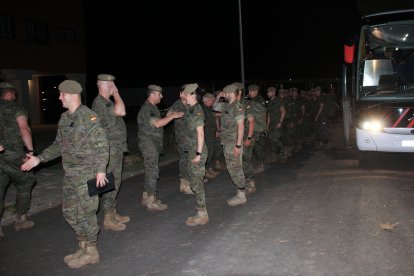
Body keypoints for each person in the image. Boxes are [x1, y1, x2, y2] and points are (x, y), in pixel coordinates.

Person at [21, 80, 109, 269]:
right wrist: (40, 158)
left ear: (72, 94)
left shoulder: (89, 117)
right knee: (69, 212)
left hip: (88, 175)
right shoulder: (64, 118)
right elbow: (59, 145)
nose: (59, 97)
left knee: (87, 213)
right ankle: (83, 245)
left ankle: (92, 251)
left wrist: (101, 170)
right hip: (71, 175)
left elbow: (102, 145)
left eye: (62, 94)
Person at [92, 74, 129, 231]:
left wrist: (114, 95)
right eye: (111, 84)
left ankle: (112, 212)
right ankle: (108, 217)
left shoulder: (107, 102)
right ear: (103, 85)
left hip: (115, 147)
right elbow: (121, 112)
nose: (114, 86)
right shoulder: (100, 102)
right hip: (109, 148)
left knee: (116, 180)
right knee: (110, 181)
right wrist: (116, 93)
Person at [137, 85, 184, 211]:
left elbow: (159, 119)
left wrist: (170, 114)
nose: (162, 96)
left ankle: (147, 196)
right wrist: (173, 116)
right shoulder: (147, 108)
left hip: (152, 144)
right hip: (149, 144)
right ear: (152, 95)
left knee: (150, 170)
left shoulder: (152, 107)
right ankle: (151, 201)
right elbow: (158, 123)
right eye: (159, 94)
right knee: (152, 172)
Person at [0, 82, 36, 239]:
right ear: (10, 93)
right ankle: (20, 219)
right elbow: (24, 129)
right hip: (14, 155)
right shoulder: (17, 109)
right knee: (25, 182)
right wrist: (30, 152)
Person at [213, 84, 247, 206]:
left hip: (233, 143)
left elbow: (241, 127)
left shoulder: (237, 107)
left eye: (226, 93)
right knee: (232, 168)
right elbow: (214, 106)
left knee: (236, 168)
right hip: (227, 143)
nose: (225, 95)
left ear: (232, 93)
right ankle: (240, 192)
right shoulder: (227, 105)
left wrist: (238, 146)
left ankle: (241, 195)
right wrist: (218, 97)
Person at [182, 83, 209, 226]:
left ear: (192, 95)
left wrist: (198, 154)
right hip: (192, 150)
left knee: (197, 182)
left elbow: (200, 133)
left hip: (197, 151)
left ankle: (202, 214)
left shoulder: (197, 111)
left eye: (186, 93)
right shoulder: (190, 109)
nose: (183, 95)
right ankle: (201, 211)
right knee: (194, 180)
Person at [167, 86, 193, 194]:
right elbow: (168, 115)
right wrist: (175, 114)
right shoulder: (178, 104)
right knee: (185, 159)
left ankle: (190, 181)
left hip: (191, 137)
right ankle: (184, 183)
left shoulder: (191, 103)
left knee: (191, 159)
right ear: (181, 93)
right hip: (183, 137)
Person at [233, 82, 257, 195]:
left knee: (246, 161)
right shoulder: (231, 104)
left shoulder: (245, 104)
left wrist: (249, 137)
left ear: (239, 91)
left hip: (245, 136)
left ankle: (250, 182)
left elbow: (251, 121)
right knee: (239, 162)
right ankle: (242, 183)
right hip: (235, 138)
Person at [247, 84, 267, 173]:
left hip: (258, 129)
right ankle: (260, 163)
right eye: (249, 91)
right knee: (255, 148)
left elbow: (258, 113)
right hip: (255, 128)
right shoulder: (253, 100)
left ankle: (261, 165)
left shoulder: (259, 100)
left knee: (258, 148)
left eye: (251, 91)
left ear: (256, 92)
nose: (249, 93)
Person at [201, 92, 220, 181]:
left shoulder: (208, 108)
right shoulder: (203, 108)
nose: (212, 101)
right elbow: (211, 117)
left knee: (211, 151)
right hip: (206, 133)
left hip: (211, 132)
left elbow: (213, 119)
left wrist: (216, 130)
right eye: (211, 100)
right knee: (207, 152)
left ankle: (209, 169)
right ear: (206, 100)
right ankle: (204, 172)